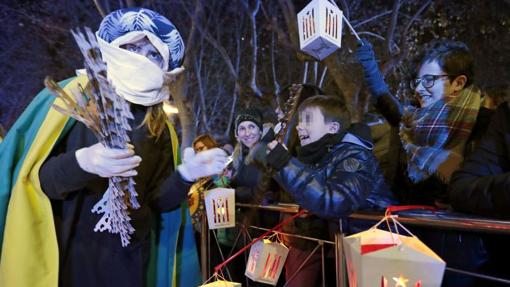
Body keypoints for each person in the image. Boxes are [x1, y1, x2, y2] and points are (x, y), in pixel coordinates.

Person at [0, 7, 228, 287]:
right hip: (70, 256)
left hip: (128, 262)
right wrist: (83, 162)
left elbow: (156, 202)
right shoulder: (71, 99)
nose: (142, 59)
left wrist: (185, 175)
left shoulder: (159, 125)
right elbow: (34, 183)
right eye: (133, 47)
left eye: (154, 54)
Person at [252, 95, 394, 286]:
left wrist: (282, 162)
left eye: (308, 119)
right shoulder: (325, 157)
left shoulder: (355, 156)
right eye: (300, 120)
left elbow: (335, 200)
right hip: (350, 254)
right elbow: (311, 186)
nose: (299, 126)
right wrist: (275, 162)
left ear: (333, 128)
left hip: (379, 255)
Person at [356, 39, 484, 206]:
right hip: (400, 223)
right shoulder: (411, 120)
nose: (418, 89)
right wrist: (370, 68)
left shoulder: (483, 126)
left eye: (429, 80)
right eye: (417, 82)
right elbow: (386, 102)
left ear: (458, 83)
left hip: (453, 228)